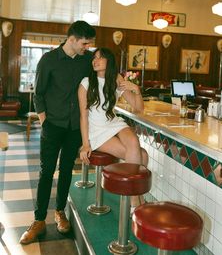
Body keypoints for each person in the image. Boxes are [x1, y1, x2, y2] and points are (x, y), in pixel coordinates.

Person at [19, 21, 96, 245]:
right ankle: (39, 220)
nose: (87, 46)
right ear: (72, 39)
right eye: (84, 42)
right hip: (53, 125)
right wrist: (44, 121)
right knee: (46, 171)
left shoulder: (87, 60)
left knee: (65, 171)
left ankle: (60, 212)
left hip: (74, 127)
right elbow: (39, 93)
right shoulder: (49, 60)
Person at [79, 48, 148, 211]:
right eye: (94, 58)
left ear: (109, 61)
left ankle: (135, 197)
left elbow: (138, 108)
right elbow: (83, 116)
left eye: (100, 58)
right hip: (96, 130)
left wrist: (135, 89)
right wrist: (85, 144)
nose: (95, 61)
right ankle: (135, 201)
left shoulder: (116, 79)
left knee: (133, 140)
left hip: (113, 123)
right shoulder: (86, 83)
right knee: (142, 155)